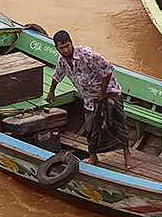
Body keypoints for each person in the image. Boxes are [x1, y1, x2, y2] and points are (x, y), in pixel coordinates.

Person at [46, 31, 132, 168]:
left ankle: (127, 154)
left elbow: (108, 70)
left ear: (71, 42)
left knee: (117, 124)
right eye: (62, 48)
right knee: (91, 127)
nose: (66, 50)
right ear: (57, 48)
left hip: (109, 93)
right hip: (89, 98)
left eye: (67, 46)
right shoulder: (62, 61)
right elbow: (57, 75)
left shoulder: (86, 54)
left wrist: (102, 92)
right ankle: (93, 156)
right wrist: (51, 92)